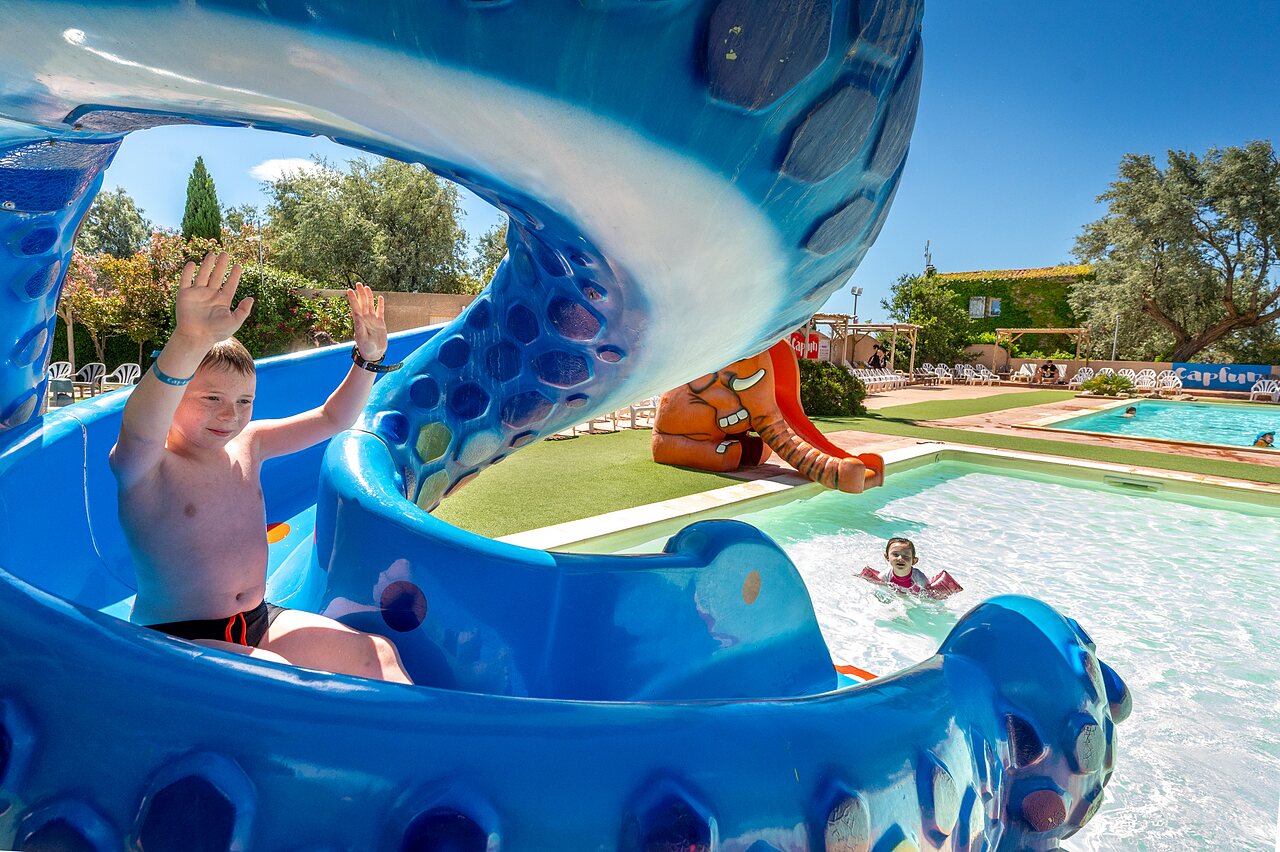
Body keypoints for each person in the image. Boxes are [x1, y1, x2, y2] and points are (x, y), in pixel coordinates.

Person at [110, 251, 413, 683]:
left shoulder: (249, 444)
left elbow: (332, 419)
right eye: (211, 399)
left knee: (376, 654)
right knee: (279, 681)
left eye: (244, 402)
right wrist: (188, 341)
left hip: (255, 620)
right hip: (177, 636)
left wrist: (367, 359)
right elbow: (141, 426)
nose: (230, 416)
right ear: (174, 395)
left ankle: (422, 750)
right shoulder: (147, 464)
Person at [859, 537, 962, 599]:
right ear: (887, 557)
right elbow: (881, 588)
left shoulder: (918, 576)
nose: (900, 558)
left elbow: (927, 592)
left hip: (913, 594)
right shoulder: (885, 574)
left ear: (914, 561)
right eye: (895, 554)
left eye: (906, 556)